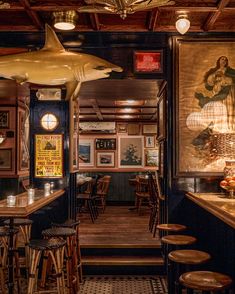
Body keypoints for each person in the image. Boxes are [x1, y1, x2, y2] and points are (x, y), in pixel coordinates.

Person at [195, 56, 235, 131]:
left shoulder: (230, 71)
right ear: (218, 61)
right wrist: (214, 76)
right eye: (222, 59)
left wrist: (224, 77)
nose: (223, 61)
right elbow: (209, 84)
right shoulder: (214, 71)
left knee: (228, 109)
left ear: (227, 62)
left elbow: (232, 80)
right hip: (217, 92)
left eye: (225, 60)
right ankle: (218, 128)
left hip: (227, 93)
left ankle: (229, 128)